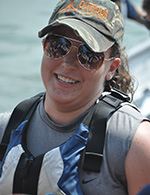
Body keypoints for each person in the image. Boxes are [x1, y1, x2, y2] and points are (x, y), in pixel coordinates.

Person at [0, 0, 150, 195]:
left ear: (111, 68)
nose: (67, 64)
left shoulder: (135, 144)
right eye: (58, 45)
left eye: (88, 54)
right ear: (44, 46)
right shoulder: (5, 128)